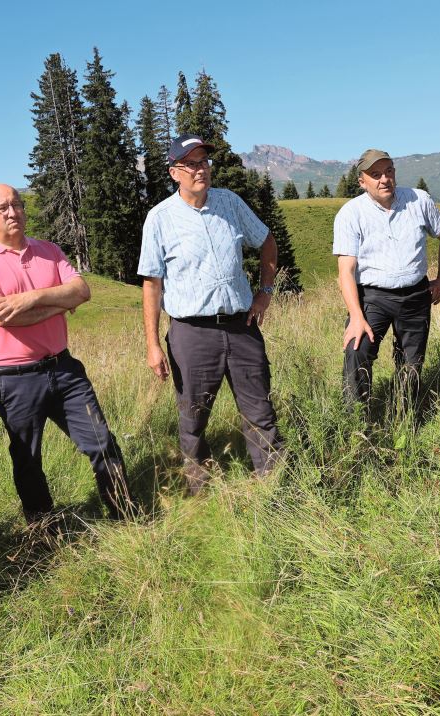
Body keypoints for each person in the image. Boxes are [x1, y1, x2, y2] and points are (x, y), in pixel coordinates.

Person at [0, 184, 132, 527]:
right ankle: (43, 529)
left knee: (101, 441)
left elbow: (82, 291)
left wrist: (28, 299)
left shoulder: (50, 250)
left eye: (17, 204)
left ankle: (125, 515)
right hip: (13, 378)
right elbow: (1, 315)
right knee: (28, 457)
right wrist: (58, 303)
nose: (13, 213)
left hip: (64, 368)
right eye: (2, 209)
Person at [139, 133, 284, 496]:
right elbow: (152, 284)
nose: (201, 169)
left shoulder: (230, 203)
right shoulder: (159, 219)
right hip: (191, 332)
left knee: (260, 410)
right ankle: (198, 490)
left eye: (204, 162)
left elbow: (266, 240)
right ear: (175, 173)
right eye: (191, 164)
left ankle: (274, 484)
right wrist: (153, 344)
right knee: (194, 415)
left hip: (241, 326)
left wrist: (264, 293)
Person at [333, 149, 440, 416]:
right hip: (372, 298)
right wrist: (356, 316)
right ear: (362, 182)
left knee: (411, 362)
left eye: (389, 171)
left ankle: (405, 417)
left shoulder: (418, 200)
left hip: (416, 296)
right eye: (375, 175)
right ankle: (356, 423)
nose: (384, 179)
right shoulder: (350, 213)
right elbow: (346, 269)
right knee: (358, 351)